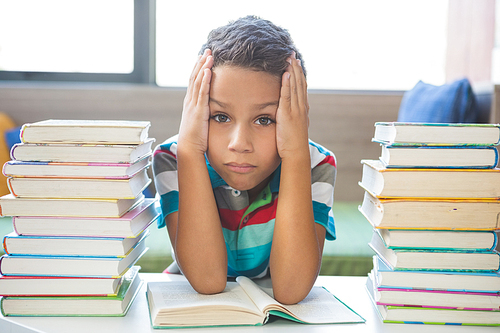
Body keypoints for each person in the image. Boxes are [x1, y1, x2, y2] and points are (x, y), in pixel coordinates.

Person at [153, 15, 336, 305]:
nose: (239, 144)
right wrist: (189, 149)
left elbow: (291, 289)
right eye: (220, 116)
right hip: (192, 304)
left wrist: (296, 154)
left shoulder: (314, 165)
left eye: (265, 119)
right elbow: (208, 280)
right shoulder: (174, 159)